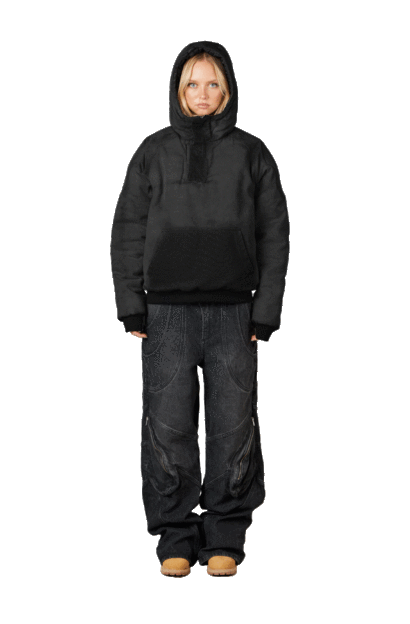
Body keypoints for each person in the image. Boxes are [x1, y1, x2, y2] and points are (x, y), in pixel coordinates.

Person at [110, 40, 290, 577]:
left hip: (235, 314)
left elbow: (274, 233)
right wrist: (131, 305)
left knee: (233, 427)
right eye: (193, 84)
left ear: (228, 89)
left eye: (213, 83)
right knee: (168, 427)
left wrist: (266, 311)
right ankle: (175, 535)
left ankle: (225, 535)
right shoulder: (153, 151)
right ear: (178, 90)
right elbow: (128, 229)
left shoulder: (252, 153)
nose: (203, 93)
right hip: (165, 315)